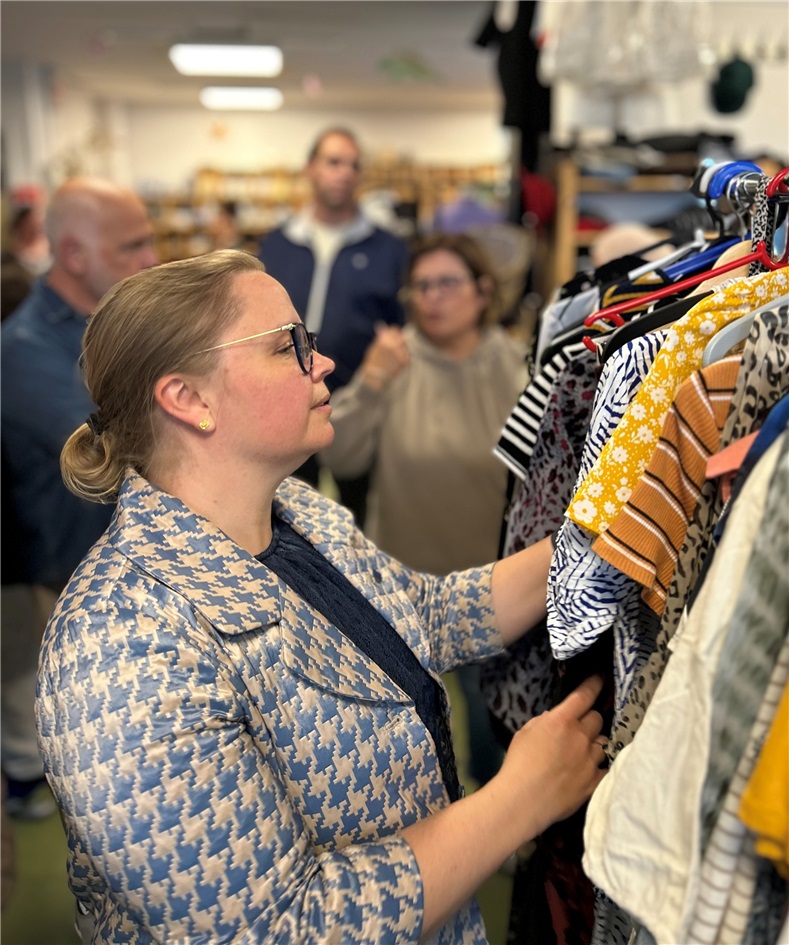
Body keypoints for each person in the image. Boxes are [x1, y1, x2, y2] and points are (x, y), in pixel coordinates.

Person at [37, 249, 607, 943]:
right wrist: (519, 799)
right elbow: (273, 929)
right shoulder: (119, 647)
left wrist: (600, 533)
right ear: (188, 399)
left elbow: (421, 617)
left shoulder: (297, 513)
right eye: (288, 346)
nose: (324, 361)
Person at [322, 232, 528, 785]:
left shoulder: (517, 365)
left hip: (490, 585)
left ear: (483, 291)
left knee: (489, 724)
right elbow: (340, 457)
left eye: (447, 284)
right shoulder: (395, 360)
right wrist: (371, 380)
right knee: (409, 733)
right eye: (421, 286)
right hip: (400, 587)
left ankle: (489, 809)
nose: (432, 297)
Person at [1, 177, 157, 818]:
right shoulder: (26, 350)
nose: (151, 258)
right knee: (105, 765)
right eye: (131, 247)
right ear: (73, 254)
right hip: (75, 581)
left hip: (139, 566)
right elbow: (118, 452)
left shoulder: (119, 324)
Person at [259, 127, 408, 525]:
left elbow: (400, 327)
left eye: (354, 165)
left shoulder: (388, 249)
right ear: (310, 168)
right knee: (285, 513)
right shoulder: (278, 244)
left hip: (360, 405)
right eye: (334, 162)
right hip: (284, 404)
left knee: (357, 515)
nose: (345, 173)